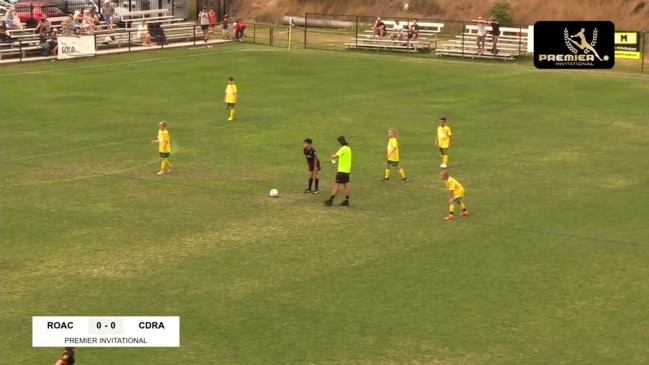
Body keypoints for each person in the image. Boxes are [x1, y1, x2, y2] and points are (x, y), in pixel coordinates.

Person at [324, 136, 352, 206]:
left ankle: (331, 200)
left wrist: (332, 156)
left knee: (336, 184)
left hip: (341, 170)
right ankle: (346, 200)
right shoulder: (348, 148)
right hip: (347, 170)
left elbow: (335, 156)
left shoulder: (343, 149)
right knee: (346, 184)